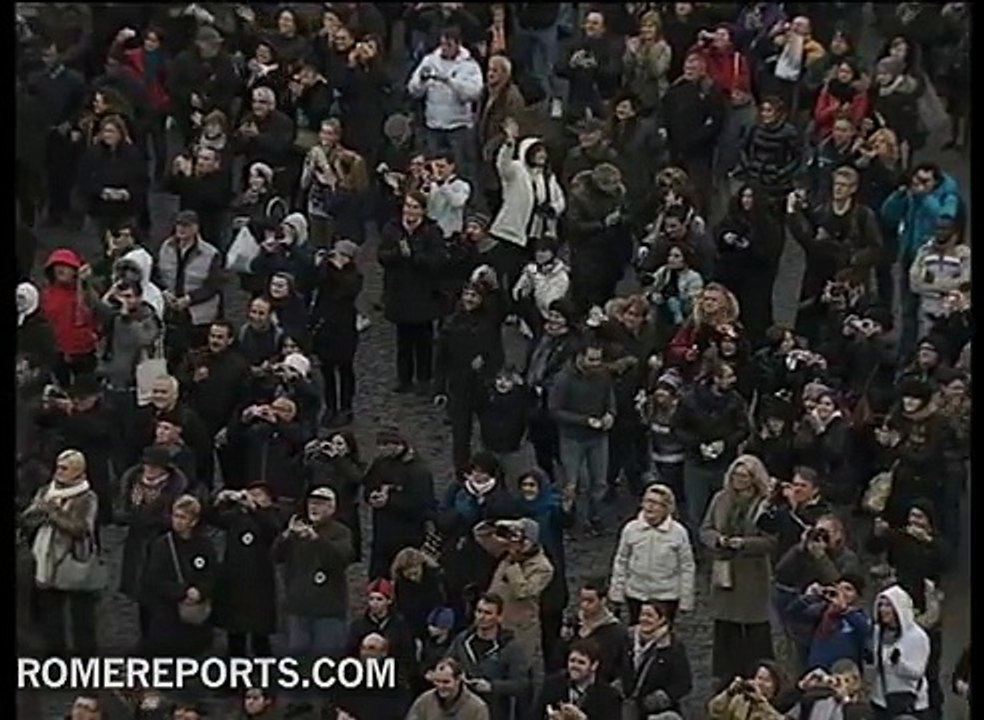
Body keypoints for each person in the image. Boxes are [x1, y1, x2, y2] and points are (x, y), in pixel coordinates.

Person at [700, 455, 777, 683]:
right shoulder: (720, 499)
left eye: (744, 476)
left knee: (755, 630)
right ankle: (725, 674)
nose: (738, 480)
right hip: (725, 572)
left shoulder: (765, 505)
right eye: (736, 474)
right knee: (725, 627)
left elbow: (772, 541)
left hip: (752, 574)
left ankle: (760, 675)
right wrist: (718, 540)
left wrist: (744, 544)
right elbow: (705, 529)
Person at [21, 449, 99, 657]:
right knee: (51, 616)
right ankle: (56, 660)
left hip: (72, 559)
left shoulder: (87, 497)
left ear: (78, 471)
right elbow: (27, 520)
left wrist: (53, 513)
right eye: (58, 467)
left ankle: (85, 662)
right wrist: (38, 513)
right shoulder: (46, 490)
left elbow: (81, 528)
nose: (59, 472)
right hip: (45, 559)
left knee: (81, 618)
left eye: (65, 468)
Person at [273, 486, 354, 665]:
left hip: (328, 611)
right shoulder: (298, 531)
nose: (314, 507)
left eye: (321, 504)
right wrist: (287, 535)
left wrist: (317, 539)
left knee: (325, 660)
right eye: (312, 503)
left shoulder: (341, 532)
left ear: (332, 508)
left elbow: (340, 559)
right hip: (298, 609)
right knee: (295, 660)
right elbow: (276, 556)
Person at [118, 445, 189, 643]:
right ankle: (145, 640)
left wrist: (149, 519)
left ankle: (166, 642)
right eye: (147, 465)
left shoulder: (174, 487)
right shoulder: (132, 482)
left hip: (163, 544)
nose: (149, 470)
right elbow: (119, 511)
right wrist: (131, 517)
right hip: (137, 544)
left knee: (164, 596)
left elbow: (175, 518)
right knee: (142, 595)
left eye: (154, 466)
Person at [378, 192, 447, 393]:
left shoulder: (432, 231)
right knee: (403, 340)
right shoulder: (392, 229)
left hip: (423, 292)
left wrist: (415, 256)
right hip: (399, 291)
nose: (410, 211)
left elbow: (438, 260)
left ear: (423, 210)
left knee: (424, 340)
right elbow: (382, 255)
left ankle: (424, 378)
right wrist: (398, 254)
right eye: (408, 206)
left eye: (415, 207)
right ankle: (404, 378)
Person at [473, 517, 555, 685]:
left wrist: (514, 564)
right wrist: (498, 525)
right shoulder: (506, 549)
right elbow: (480, 534)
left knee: (521, 670)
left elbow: (523, 592)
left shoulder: (543, 567)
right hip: (493, 621)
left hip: (520, 628)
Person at [434, 283, 506, 471]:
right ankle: (462, 473)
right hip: (459, 387)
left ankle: (491, 470)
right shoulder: (451, 323)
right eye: (466, 294)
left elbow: (498, 355)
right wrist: (439, 388)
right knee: (460, 436)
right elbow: (441, 359)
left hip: (483, 386)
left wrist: (486, 365)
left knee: (490, 434)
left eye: (474, 295)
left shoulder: (489, 323)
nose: (469, 299)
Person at [549, 339, 617, 535]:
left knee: (600, 482)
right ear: (579, 357)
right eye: (592, 359)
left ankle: (595, 517)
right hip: (573, 438)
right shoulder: (564, 379)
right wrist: (585, 421)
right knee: (577, 483)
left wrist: (611, 414)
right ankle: (576, 522)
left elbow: (609, 397)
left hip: (598, 437)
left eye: (599, 359)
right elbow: (555, 410)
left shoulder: (603, 374)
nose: (596, 364)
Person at [674, 361, 750, 530]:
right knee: (696, 512)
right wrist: (697, 445)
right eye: (729, 376)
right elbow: (678, 428)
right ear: (716, 379)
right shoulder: (690, 399)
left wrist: (725, 443)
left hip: (724, 464)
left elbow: (743, 429)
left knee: (723, 513)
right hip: (696, 463)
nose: (734, 380)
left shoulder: (735, 400)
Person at [209, 482, 281, 658]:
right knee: (235, 636)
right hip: (234, 583)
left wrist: (255, 509)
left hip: (260, 584)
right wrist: (220, 501)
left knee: (260, 637)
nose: (252, 497)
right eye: (251, 493)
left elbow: (273, 529)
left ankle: (264, 675)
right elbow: (212, 519)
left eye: (259, 494)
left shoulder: (272, 515)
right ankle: (235, 679)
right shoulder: (236, 517)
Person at [141, 495, 216, 657]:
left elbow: (213, 574)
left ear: (193, 521)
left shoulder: (205, 544)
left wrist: (200, 591)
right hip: (168, 615)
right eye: (176, 516)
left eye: (183, 517)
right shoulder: (162, 545)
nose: (178, 521)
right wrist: (182, 592)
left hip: (196, 617)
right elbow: (153, 578)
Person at [490, 119, 565, 279]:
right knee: (509, 272)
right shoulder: (516, 170)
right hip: (512, 233)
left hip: (536, 234)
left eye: (544, 152)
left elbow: (560, 200)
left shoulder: (547, 177)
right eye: (538, 151)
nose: (542, 155)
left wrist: (552, 209)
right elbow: (502, 164)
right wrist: (510, 143)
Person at [407, 27, 484, 183]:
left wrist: (450, 81)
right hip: (434, 126)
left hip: (458, 127)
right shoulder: (429, 61)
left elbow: (474, 93)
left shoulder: (469, 65)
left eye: (449, 45)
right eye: (442, 44)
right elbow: (413, 90)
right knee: (433, 171)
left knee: (462, 172)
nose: (444, 48)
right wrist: (421, 80)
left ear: (458, 45)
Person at [610, 485, 695, 625]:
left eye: (655, 503)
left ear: (666, 507)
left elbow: (686, 566)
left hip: (666, 596)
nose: (649, 507)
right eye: (647, 501)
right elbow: (621, 561)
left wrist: (685, 600)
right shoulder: (631, 529)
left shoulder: (678, 532)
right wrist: (617, 592)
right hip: (636, 594)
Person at [363, 427, 436, 580]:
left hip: (407, 537)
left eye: (385, 445)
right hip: (382, 536)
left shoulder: (419, 471)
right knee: (378, 579)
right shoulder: (380, 463)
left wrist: (389, 502)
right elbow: (368, 483)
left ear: (397, 444)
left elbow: (422, 505)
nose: (381, 450)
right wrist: (371, 496)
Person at [445, 593, 529, 720]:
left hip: (494, 712)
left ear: (499, 617)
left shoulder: (511, 647)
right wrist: (455, 674)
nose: (481, 617)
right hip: (461, 710)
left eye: (488, 613)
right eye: (479, 611)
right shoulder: (462, 640)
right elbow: (447, 662)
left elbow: (521, 684)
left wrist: (491, 686)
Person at [156, 210, 224, 366]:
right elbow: (157, 274)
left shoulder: (211, 253)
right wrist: (165, 293)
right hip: (170, 310)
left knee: (196, 354)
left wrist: (189, 299)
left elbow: (213, 285)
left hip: (197, 315)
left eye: (186, 226)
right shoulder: (165, 247)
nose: (181, 229)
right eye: (179, 225)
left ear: (196, 228)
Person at [310, 240, 363, 426]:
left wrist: (338, 271)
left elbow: (344, 293)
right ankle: (330, 406)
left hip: (344, 327)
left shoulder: (355, 276)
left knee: (345, 368)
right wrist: (321, 265)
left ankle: (346, 407)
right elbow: (316, 283)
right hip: (325, 325)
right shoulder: (327, 271)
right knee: (327, 369)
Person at [619, 599, 694, 717]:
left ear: (662, 619)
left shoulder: (673, 648)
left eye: (649, 616)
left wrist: (658, 700)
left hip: (659, 713)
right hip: (628, 709)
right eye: (642, 614)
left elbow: (683, 683)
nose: (644, 619)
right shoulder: (627, 640)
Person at [41, 249, 101, 385]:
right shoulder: (46, 295)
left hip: (84, 352)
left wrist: (85, 284)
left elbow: (94, 310)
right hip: (56, 352)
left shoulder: (85, 292)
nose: (61, 269)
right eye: (58, 266)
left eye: (66, 266)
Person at [870, 585, 931, 719]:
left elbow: (917, 672)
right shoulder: (878, 632)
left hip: (910, 702)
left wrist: (898, 663)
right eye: (881, 605)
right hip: (881, 699)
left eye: (888, 606)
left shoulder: (917, 636)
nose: (883, 610)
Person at [908, 216, 970, 340]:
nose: (940, 232)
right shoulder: (924, 252)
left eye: (944, 229)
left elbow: (965, 283)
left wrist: (932, 283)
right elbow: (914, 284)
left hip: (954, 312)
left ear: (954, 231)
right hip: (927, 313)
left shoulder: (964, 254)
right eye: (937, 228)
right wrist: (949, 284)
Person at [555, 10, 621, 121]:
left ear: (603, 28)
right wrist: (572, 64)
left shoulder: (612, 47)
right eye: (588, 22)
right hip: (576, 100)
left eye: (595, 23)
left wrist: (595, 65)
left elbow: (614, 72)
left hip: (601, 99)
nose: (590, 26)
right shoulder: (574, 44)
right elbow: (558, 68)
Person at [537, 640, 621, 720]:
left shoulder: (609, 696)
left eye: (581, 662)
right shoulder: (553, 685)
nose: (575, 666)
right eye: (572, 661)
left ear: (594, 665)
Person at [406, 658, 490, 720]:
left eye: (446, 682)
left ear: (458, 679)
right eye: (437, 681)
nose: (440, 686)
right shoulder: (424, 701)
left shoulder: (477, 708)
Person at [706, 661, 786, 720]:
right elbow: (714, 711)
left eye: (766, 680)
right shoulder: (741, 700)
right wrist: (728, 693)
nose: (760, 683)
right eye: (759, 678)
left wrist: (761, 702)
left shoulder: (781, 706)